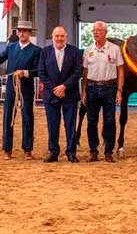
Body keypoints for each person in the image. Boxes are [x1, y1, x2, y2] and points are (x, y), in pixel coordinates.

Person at [0, 20, 41, 161]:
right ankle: (7, 149)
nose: (22, 33)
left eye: (24, 31)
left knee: (27, 116)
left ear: (29, 33)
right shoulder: (11, 47)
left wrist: (25, 72)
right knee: (8, 116)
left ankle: (27, 149)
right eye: (19, 31)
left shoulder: (36, 50)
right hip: (10, 86)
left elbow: (38, 70)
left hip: (26, 87)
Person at [38, 26, 83, 163]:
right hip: (51, 95)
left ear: (66, 37)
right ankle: (53, 152)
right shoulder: (45, 52)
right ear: (52, 37)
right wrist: (55, 89)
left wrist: (64, 86)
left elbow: (78, 71)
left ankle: (71, 153)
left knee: (70, 125)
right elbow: (41, 72)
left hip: (70, 94)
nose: (59, 38)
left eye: (62, 36)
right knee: (52, 125)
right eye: (57, 36)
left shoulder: (75, 51)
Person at [81, 21, 124, 163]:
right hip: (92, 88)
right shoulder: (88, 49)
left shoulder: (115, 49)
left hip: (110, 87)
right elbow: (85, 71)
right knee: (91, 121)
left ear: (105, 32)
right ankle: (93, 151)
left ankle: (109, 151)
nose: (95, 32)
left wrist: (119, 90)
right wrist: (84, 91)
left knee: (110, 120)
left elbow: (120, 70)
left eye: (99, 30)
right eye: (94, 30)